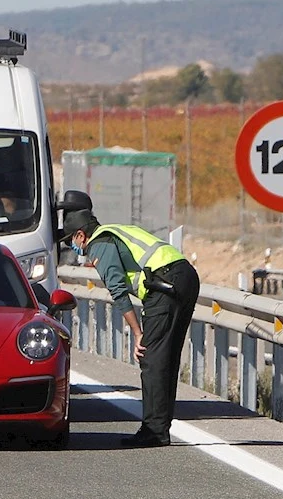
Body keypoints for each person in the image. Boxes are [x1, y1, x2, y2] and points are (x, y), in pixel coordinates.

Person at [59, 190, 200, 448]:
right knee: (166, 357)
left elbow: (119, 293)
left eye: (71, 242)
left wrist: (137, 334)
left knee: (151, 357)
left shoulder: (98, 244)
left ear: (80, 235)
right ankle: (161, 426)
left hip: (164, 284)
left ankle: (154, 432)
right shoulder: (114, 230)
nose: (73, 247)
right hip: (185, 275)